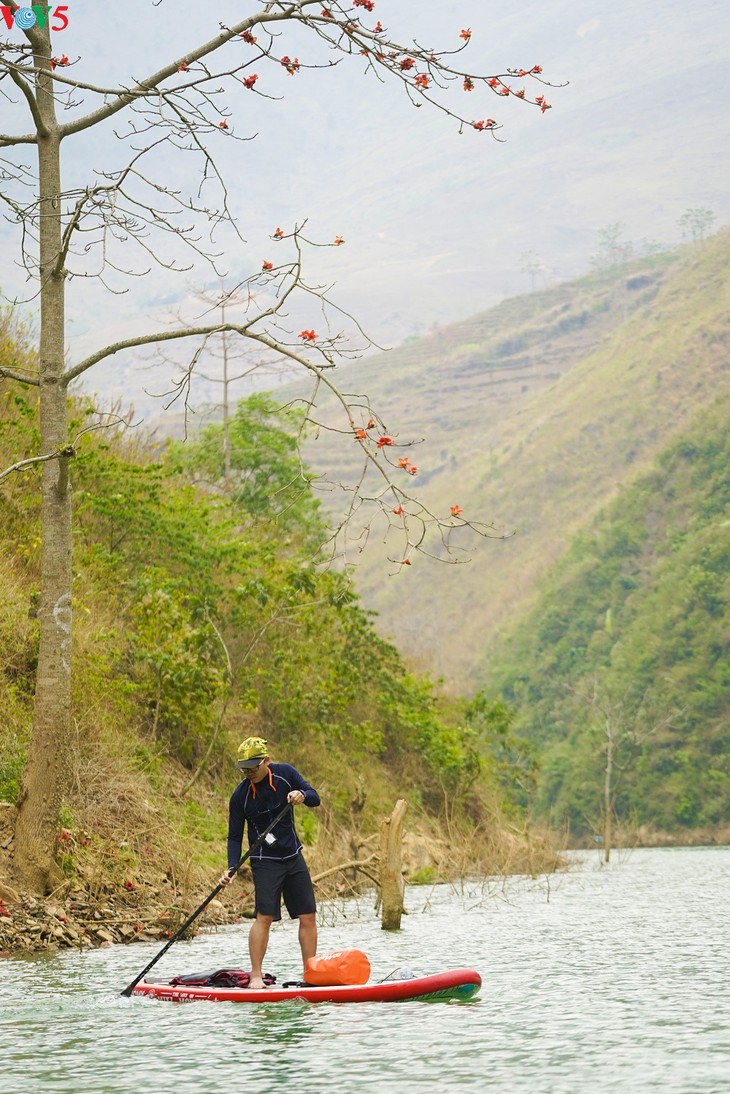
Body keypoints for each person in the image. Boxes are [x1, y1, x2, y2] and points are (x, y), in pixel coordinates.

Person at [219, 736, 320, 989]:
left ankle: (312, 974)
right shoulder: (240, 797)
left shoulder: (286, 774)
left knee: (307, 916)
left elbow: (314, 797)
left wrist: (301, 794)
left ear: (267, 761)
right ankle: (256, 976)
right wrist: (232, 866)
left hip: (293, 856)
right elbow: (234, 836)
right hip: (265, 861)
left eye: (253, 767)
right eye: (244, 768)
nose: (249, 773)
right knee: (264, 917)